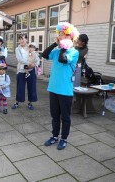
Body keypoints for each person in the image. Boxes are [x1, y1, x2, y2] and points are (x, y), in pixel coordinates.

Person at [42, 22, 79, 150]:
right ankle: (54, 136)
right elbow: (45, 55)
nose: (61, 37)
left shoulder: (73, 52)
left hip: (65, 90)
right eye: (60, 35)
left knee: (65, 116)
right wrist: (55, 44)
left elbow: (63, 59)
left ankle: (64, 138)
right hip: (53, 88)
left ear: (71, 37)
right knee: (54, 115)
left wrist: (64, 46)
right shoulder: (57, 50)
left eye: (64, 35)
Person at [11, 34, 39, 110]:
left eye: (23, 39)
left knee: (32, 87)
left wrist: (35, 64)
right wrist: (29, 63)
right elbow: (20, 59)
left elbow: (36, 56)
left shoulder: (30, 47)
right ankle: (17, 102)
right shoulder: (17, 49)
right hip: (21, 70)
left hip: (31, 70)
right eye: (20, 39)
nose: (21, 40)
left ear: (26, 39)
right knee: (20, 87)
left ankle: (30, 103)